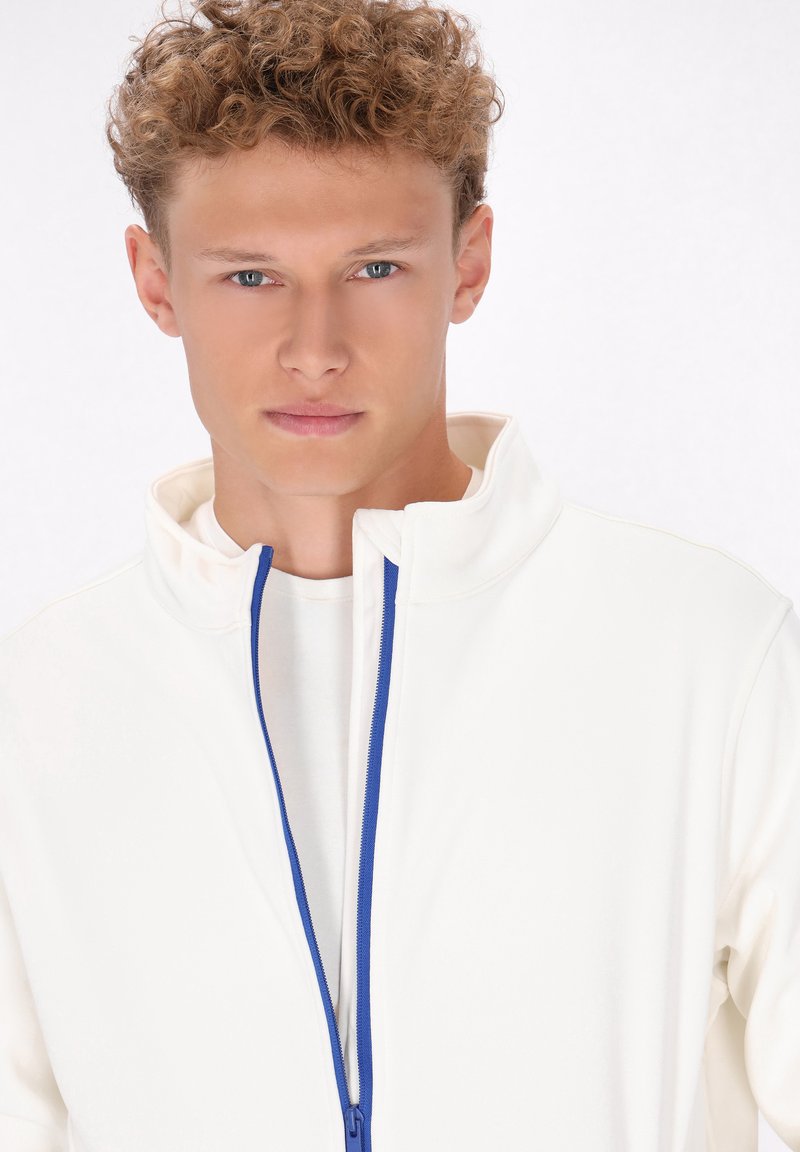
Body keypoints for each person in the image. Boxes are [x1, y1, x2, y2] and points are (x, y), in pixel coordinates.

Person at [0, 0, 797, 1148]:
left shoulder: (707, 653)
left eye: (373, 267)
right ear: (155, 280)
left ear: (467, 264)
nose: (315, 349)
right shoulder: (39, 706)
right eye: (250, 277)